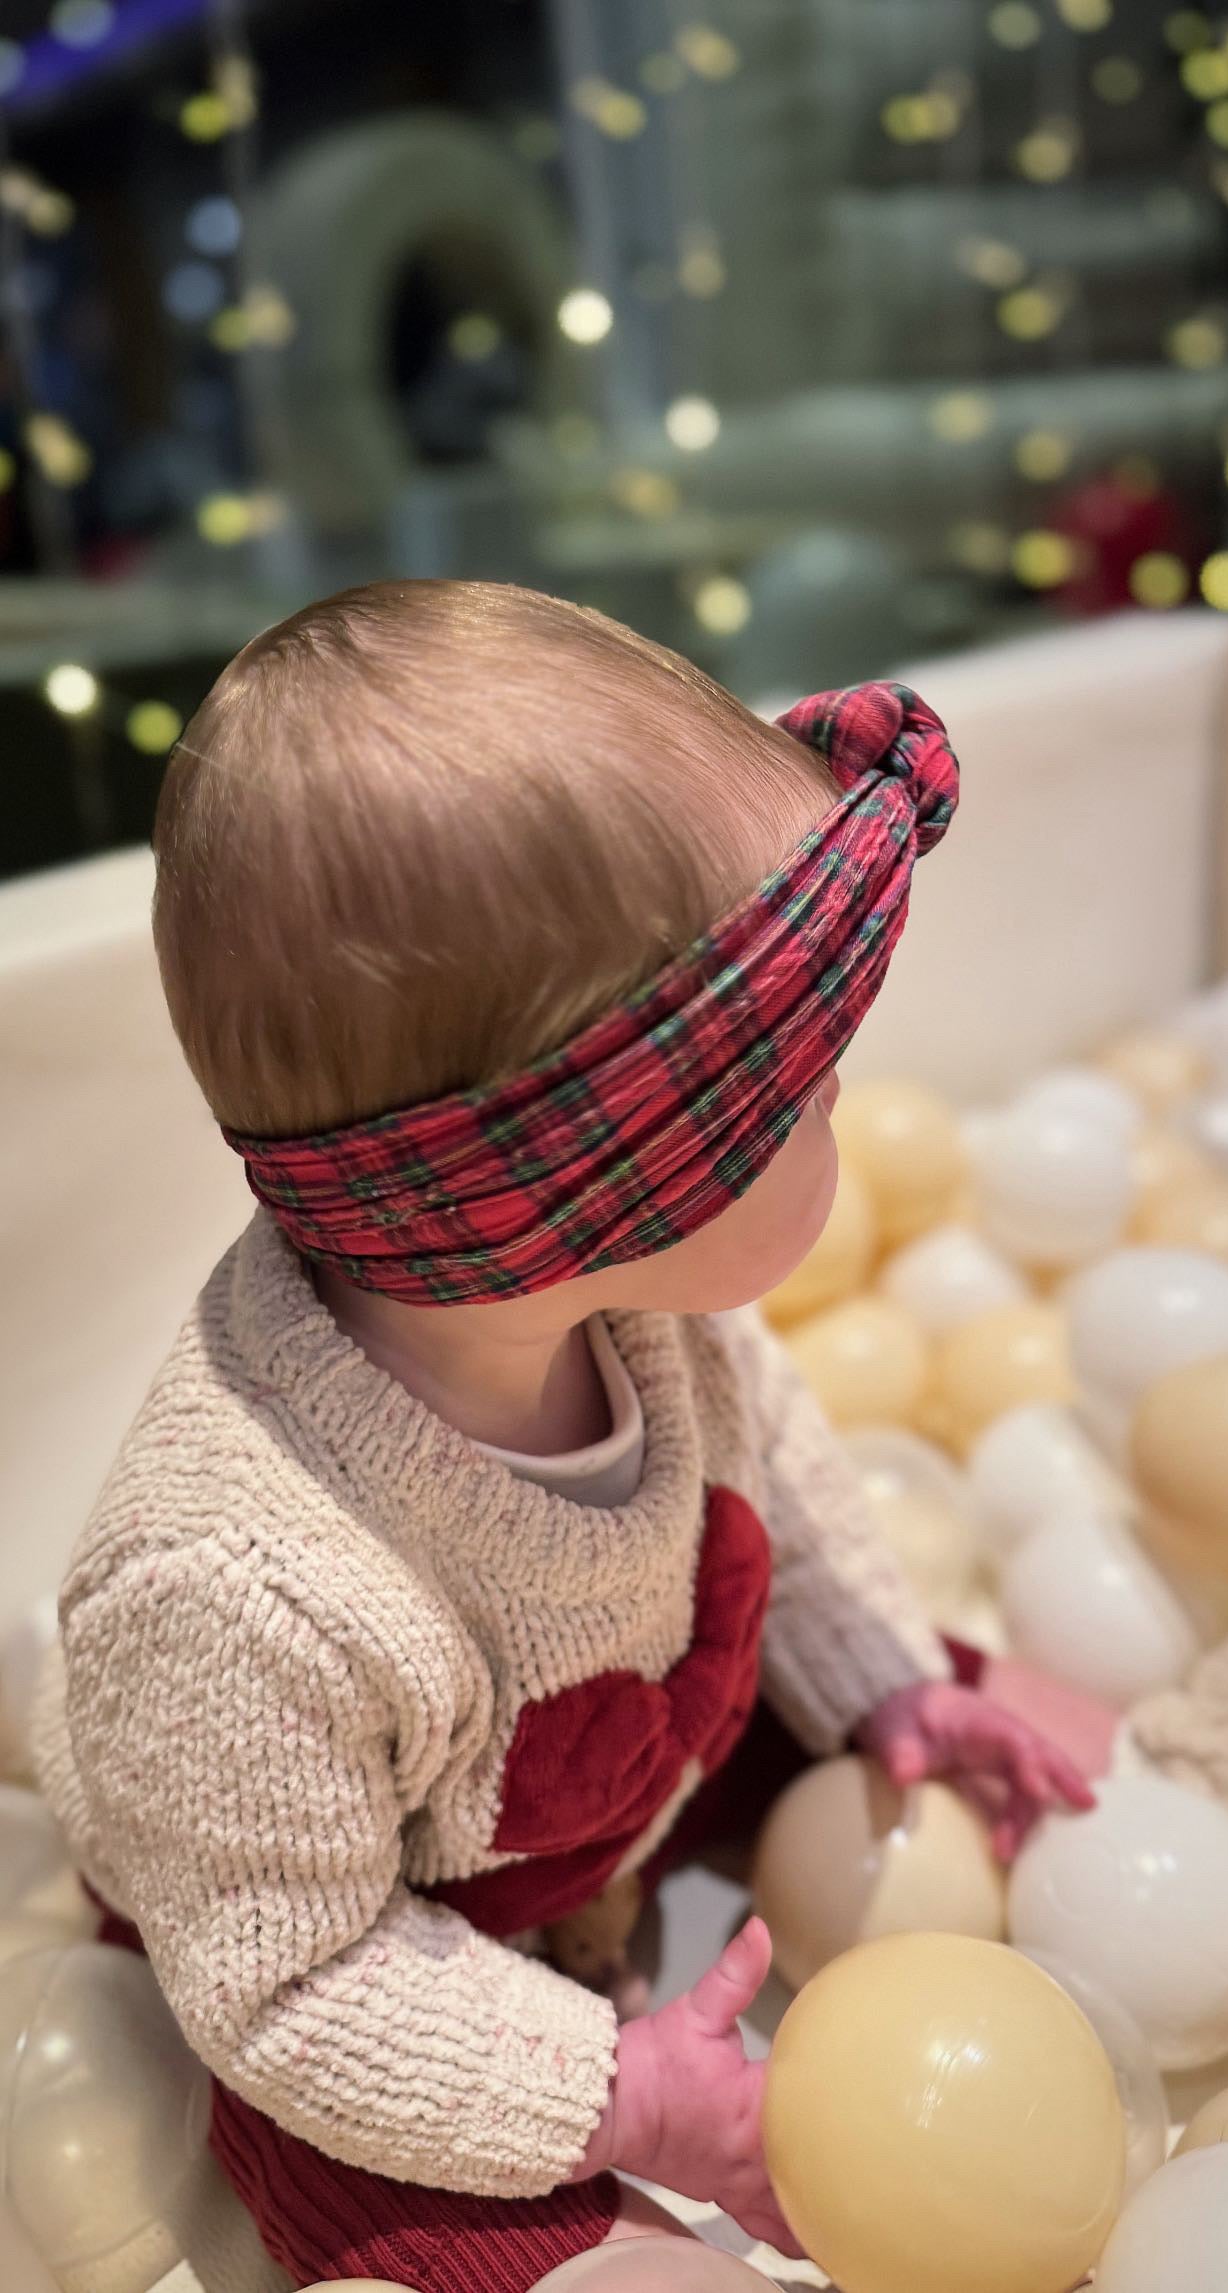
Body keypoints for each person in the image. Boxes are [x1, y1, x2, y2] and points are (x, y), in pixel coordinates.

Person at [34, 582, 1090, 2292]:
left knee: (979, 1728)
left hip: (615, 1758)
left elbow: (782, 1477)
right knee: (511, 2228)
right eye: (805, 1097)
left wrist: (888, 1677)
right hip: (361, 1954)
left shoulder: (632, 1311)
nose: (848, 1105)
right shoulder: (240, 1590)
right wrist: (616, 2097)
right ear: (583, 1192)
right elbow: (292, 1987)